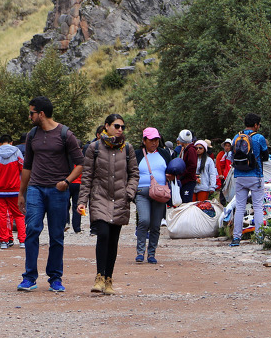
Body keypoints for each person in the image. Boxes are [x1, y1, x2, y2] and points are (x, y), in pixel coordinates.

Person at [17, 96, 84, 293]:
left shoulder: (65, 134)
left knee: (56, 236)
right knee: (32, 230)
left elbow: (80, 164)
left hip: (58, 191)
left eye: (32, 113)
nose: (30, 116)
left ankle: (55, 278)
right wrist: (22, 192)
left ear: (41, 114)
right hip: (35, 189)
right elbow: (27, 165)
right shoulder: (32, 135)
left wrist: (66, 182)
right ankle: (29, 277)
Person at [78, 114, 139, 295]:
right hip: (100, 197)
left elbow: (134, 174)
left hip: (120, 198)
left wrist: (129, 193)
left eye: (122, 127)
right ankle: (99, 276)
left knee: (113, 240)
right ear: (106, 126)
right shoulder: (94, 148)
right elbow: (87, 176)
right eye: (116, 126)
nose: (120, 129)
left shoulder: (128, 149)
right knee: (102, 234)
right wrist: (82, 201)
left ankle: (109, 279)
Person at [134, 127, 172, 265]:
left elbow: (173, 170)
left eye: (156, 140)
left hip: (160, 193)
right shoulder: (136, 154)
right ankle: (140, 252)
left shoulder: (164, 154)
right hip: (141, 192)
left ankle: (151, 253)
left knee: (156, 225)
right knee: (144, 220)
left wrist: (171, 176)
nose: (154, 143)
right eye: (151, 140)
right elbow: (130, 172)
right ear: (144, 140)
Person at [230, 113, 269, 247]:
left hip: (239, 176)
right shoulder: (259, 138)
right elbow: (266, 157)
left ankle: (236, 238)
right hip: (256, 175)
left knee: (240, 207)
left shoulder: (236, 137)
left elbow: (231, 157)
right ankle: (259, 237)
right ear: (256, 125)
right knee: (258, 207)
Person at [0, 134, 25, 249]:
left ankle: (3, 241)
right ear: (11, 142)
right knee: (19, 214)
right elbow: (23, 167)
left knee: (1, 216)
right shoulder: (17, 152)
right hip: (14, 190)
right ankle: (22, 241)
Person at [177, 129, 197, 203]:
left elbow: (192, 165)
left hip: (188, 180)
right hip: (184, 180)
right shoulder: (185, 150)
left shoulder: (191, 150)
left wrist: (183, 174)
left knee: (186, 202)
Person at [215, 139, 233, 205]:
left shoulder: (232, 154)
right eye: (226, 146)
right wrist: (220, 174)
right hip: (224, 175)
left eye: (228, 146)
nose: (227, 147)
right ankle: (222, 204)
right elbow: (218, 165)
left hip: (231, 175)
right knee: (223, 190)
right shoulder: (221, 154)